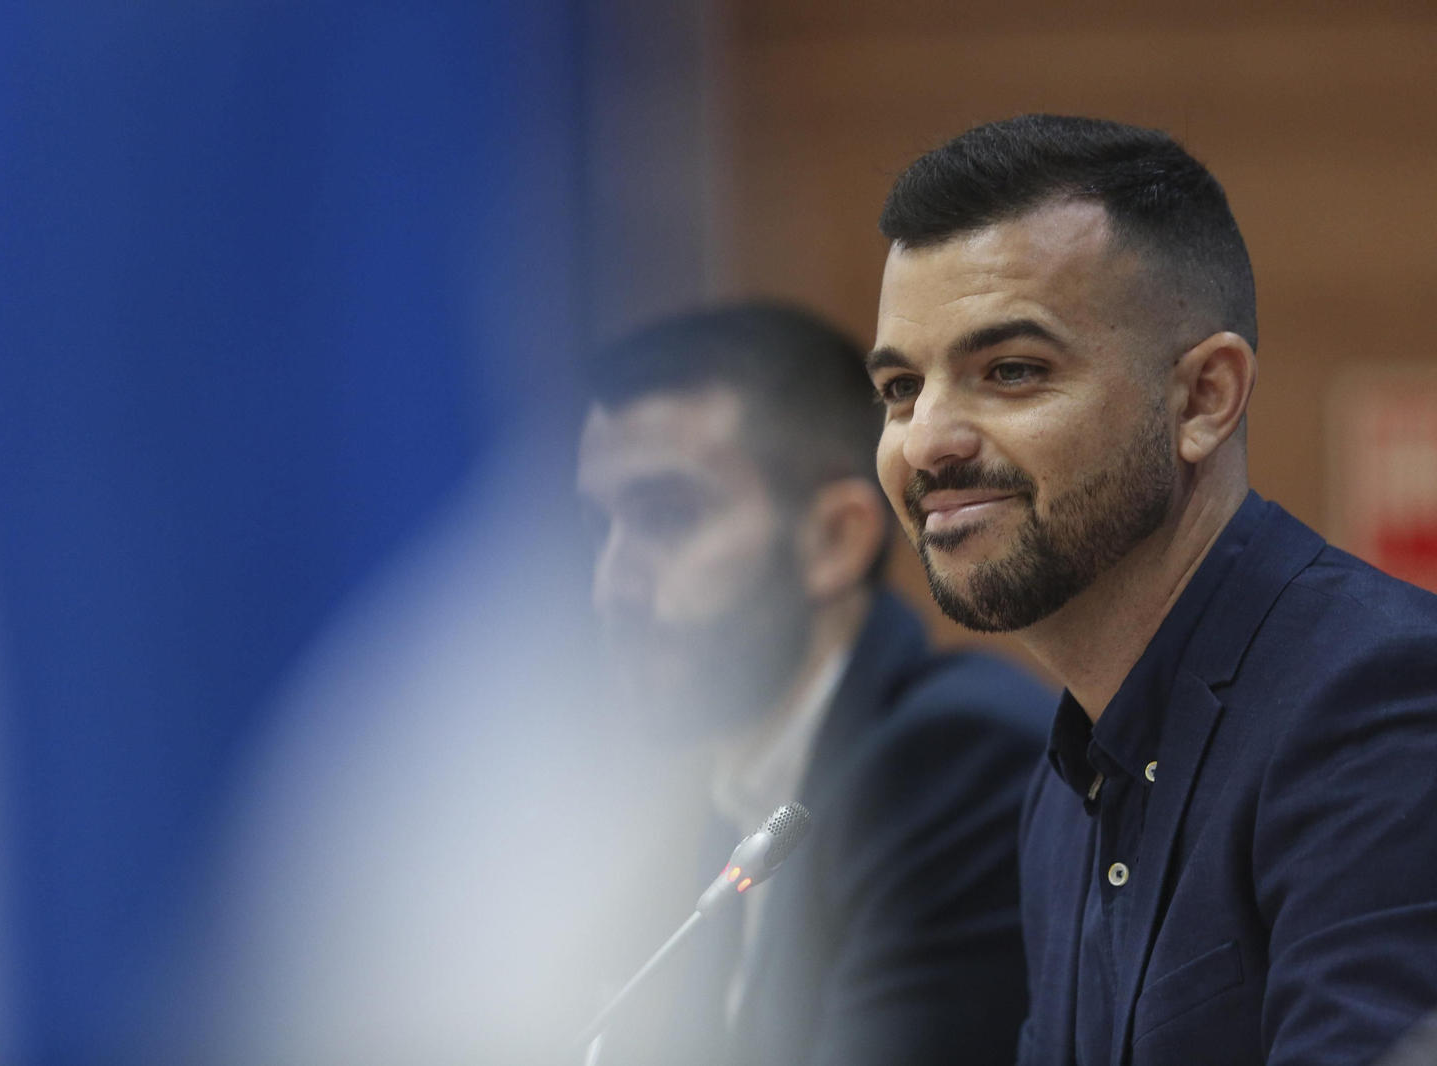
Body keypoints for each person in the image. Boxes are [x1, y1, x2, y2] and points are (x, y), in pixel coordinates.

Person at [866, 114, 1437, 1066]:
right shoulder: (1062, 792)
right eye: (899, 389)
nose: (925, 441)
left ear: (1204, 398)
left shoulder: (1377, 703)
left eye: (1009, 372)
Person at [575, 303, 1052, 1066]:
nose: (611, 588)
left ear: (835, 539)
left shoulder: (946, 765)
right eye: (601, 529)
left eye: (666, 517)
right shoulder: (740, 791)